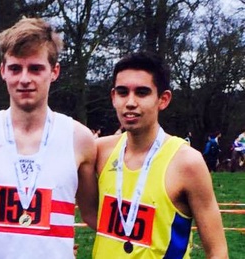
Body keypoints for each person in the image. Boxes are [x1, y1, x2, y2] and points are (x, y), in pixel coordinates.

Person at [0, 17, 97, 258]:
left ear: (54, 71)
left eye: (35, 68)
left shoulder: (79, 138)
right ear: (3, 71)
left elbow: (94, 216)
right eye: (15, 68)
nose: (24, 79)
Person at [93, 52, 228, 258]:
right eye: (122, 92)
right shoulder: (100, 151)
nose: (130, 102)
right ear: (113, 97)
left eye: (142, 92)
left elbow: (217, 251)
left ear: (163, 99)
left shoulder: (186, 162)